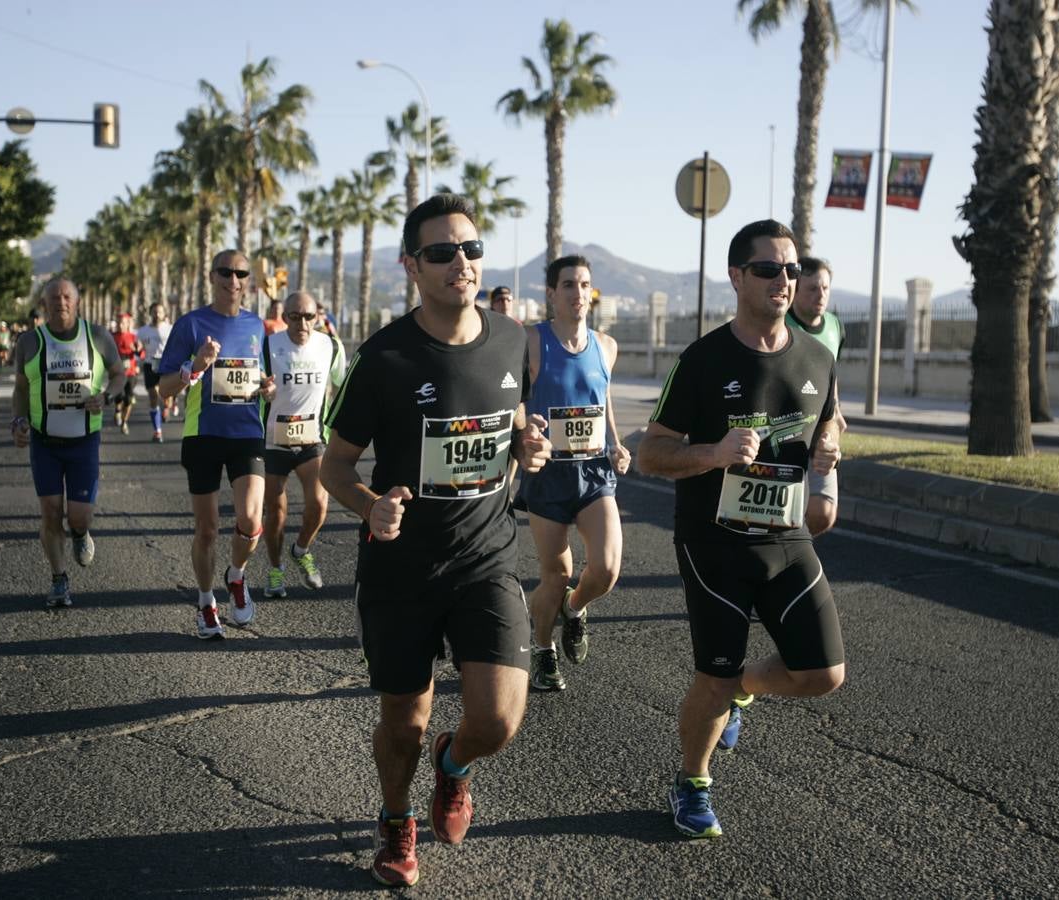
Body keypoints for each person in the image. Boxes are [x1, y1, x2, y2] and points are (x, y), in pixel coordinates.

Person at [320, 194, 551, 888]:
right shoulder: (384, 356)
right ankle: (395, 821)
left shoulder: (513, 338)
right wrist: (369, 506)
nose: (462, 263)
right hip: (402, 565)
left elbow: (511, 418)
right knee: (405, 720)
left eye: (471, 249)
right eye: (443, 252)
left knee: (500, 719)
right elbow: (335, 463)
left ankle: (454, 767)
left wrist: (526, 443)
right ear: (412, 267)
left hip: (486, 556)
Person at [637, 219, 844, 840]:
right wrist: (713, 453)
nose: (785, 280)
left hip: (786, 537)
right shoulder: (702, 361)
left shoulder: (817, 357)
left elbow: (829, 420)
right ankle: (692, 782)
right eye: (769, 269)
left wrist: (830, 450)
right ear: (736, 277)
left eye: (792, 269)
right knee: (714, 675)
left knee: (823, 674)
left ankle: (747, 689)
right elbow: (651, 454)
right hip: (713, 541)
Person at [518, 255, 632, 692]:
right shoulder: (532, 341)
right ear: (551, 293)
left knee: (604, 570)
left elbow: (602, 401)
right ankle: (544, 652)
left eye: (584, 285)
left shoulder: (606, 346)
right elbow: (515, 398)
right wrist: (525, 429)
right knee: (555, 573)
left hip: (594, 472)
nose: (578, 293)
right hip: (549, 475)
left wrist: (616, 443)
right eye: (568, 285)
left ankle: (576, 607)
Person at [157, 250, 276, 638]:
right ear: (213, 276)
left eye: (241, 273)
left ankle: (236, 576)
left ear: (248, 280)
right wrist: (196, 367)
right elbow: (163, 389)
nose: (233, 279)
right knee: (207, 530)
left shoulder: (257, 326)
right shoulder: (191, 325)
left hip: (247, 435)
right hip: (203, 434)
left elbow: (264, 380)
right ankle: (206, 601)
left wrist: (269, 389)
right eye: (226, 272)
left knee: (251, 519)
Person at [11, 278, 126, 608]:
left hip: (84, 441)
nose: (60, 302)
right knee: (50, 511)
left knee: (80, 516)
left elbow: (119, 375)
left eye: (66, 296)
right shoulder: (29, 342)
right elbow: (20, 389)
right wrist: (18, 421)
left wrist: (106, 396)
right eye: (53, 297)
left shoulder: (98, 337)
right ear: (44, 304)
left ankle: (80, 533)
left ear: (77, 302)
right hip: (44, 441)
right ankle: (59, 579)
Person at [259, 291, 346, 599]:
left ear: (318, 317)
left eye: (309, 316)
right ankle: (274, 567)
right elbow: (257, 384)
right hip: (274, 440)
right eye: (295, 317)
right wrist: (264, 392)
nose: (302, 323)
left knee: (320, 504)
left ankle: (302, 549)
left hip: (312, 439)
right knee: (276, 511)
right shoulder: (268, 345)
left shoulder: (331, 346)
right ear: (284, 318)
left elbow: (340, 386)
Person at [786, 256, 848, 536]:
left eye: (824, 288)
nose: (820, 295)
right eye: (811, 288)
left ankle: (794, 545)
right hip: (784, 429)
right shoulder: (780, 324)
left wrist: (836, 413)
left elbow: (830, 374)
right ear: (795, 290)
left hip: (821, 425)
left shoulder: (835, 327)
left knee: (823, 513)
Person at [136, 302, 173, 443]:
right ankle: (157, 431)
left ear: (164, 314)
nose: (157, 315)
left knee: (166, 394)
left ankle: (167, 406)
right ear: (150, 313)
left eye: (159, 312)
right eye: (154, 312)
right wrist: (138, 350)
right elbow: (138, 348)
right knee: (153, 395)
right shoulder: (143, 331)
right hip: (150, 364)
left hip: (166, 363)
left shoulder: (169, 329)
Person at [112, 312, 143, 435]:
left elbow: (141, 354)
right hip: (117, 373)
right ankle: (117, 410)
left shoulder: (133, 337)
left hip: (130, 372)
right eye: (119, 322)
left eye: (123, 323)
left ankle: (125, 422)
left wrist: (138, 350)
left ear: (128, 324)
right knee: (118, 396)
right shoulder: (112, 337)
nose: (120, 325)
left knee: (129, 399)